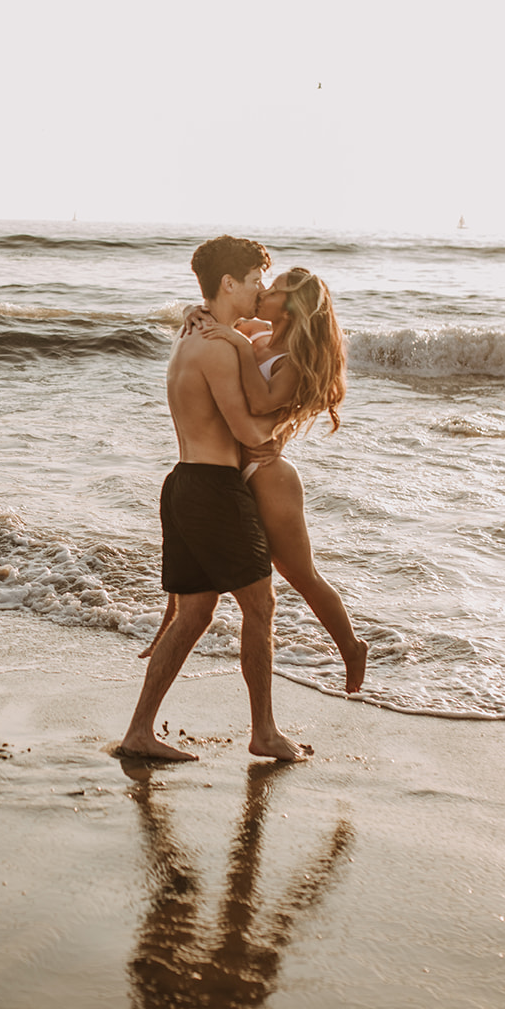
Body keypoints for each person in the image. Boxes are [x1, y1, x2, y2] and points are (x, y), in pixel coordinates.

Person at [118, 235, 307, 763]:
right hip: (214, 489)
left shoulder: (191, 334)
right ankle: (264, 732)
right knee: (260, 604)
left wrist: (201, 313)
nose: (260, 291)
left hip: (182, 482)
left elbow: (228, 331)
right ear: (229, 284)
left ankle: (138, 731)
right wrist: (294, 409)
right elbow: (249, 432)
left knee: (196, 613)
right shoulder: (223, 347)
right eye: (253, 282)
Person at [136, 266, 368, 694]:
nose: (264, 292)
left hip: (267, 474)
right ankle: (164, 630)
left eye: (275, 290)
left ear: (293, 306)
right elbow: (214, 315)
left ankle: (352, 649)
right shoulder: (251, 328)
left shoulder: (293, 361)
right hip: (223, 469)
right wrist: (194, 311)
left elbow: (260, 400)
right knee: (197, 567)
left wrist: (240, 347)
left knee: (299, 574)